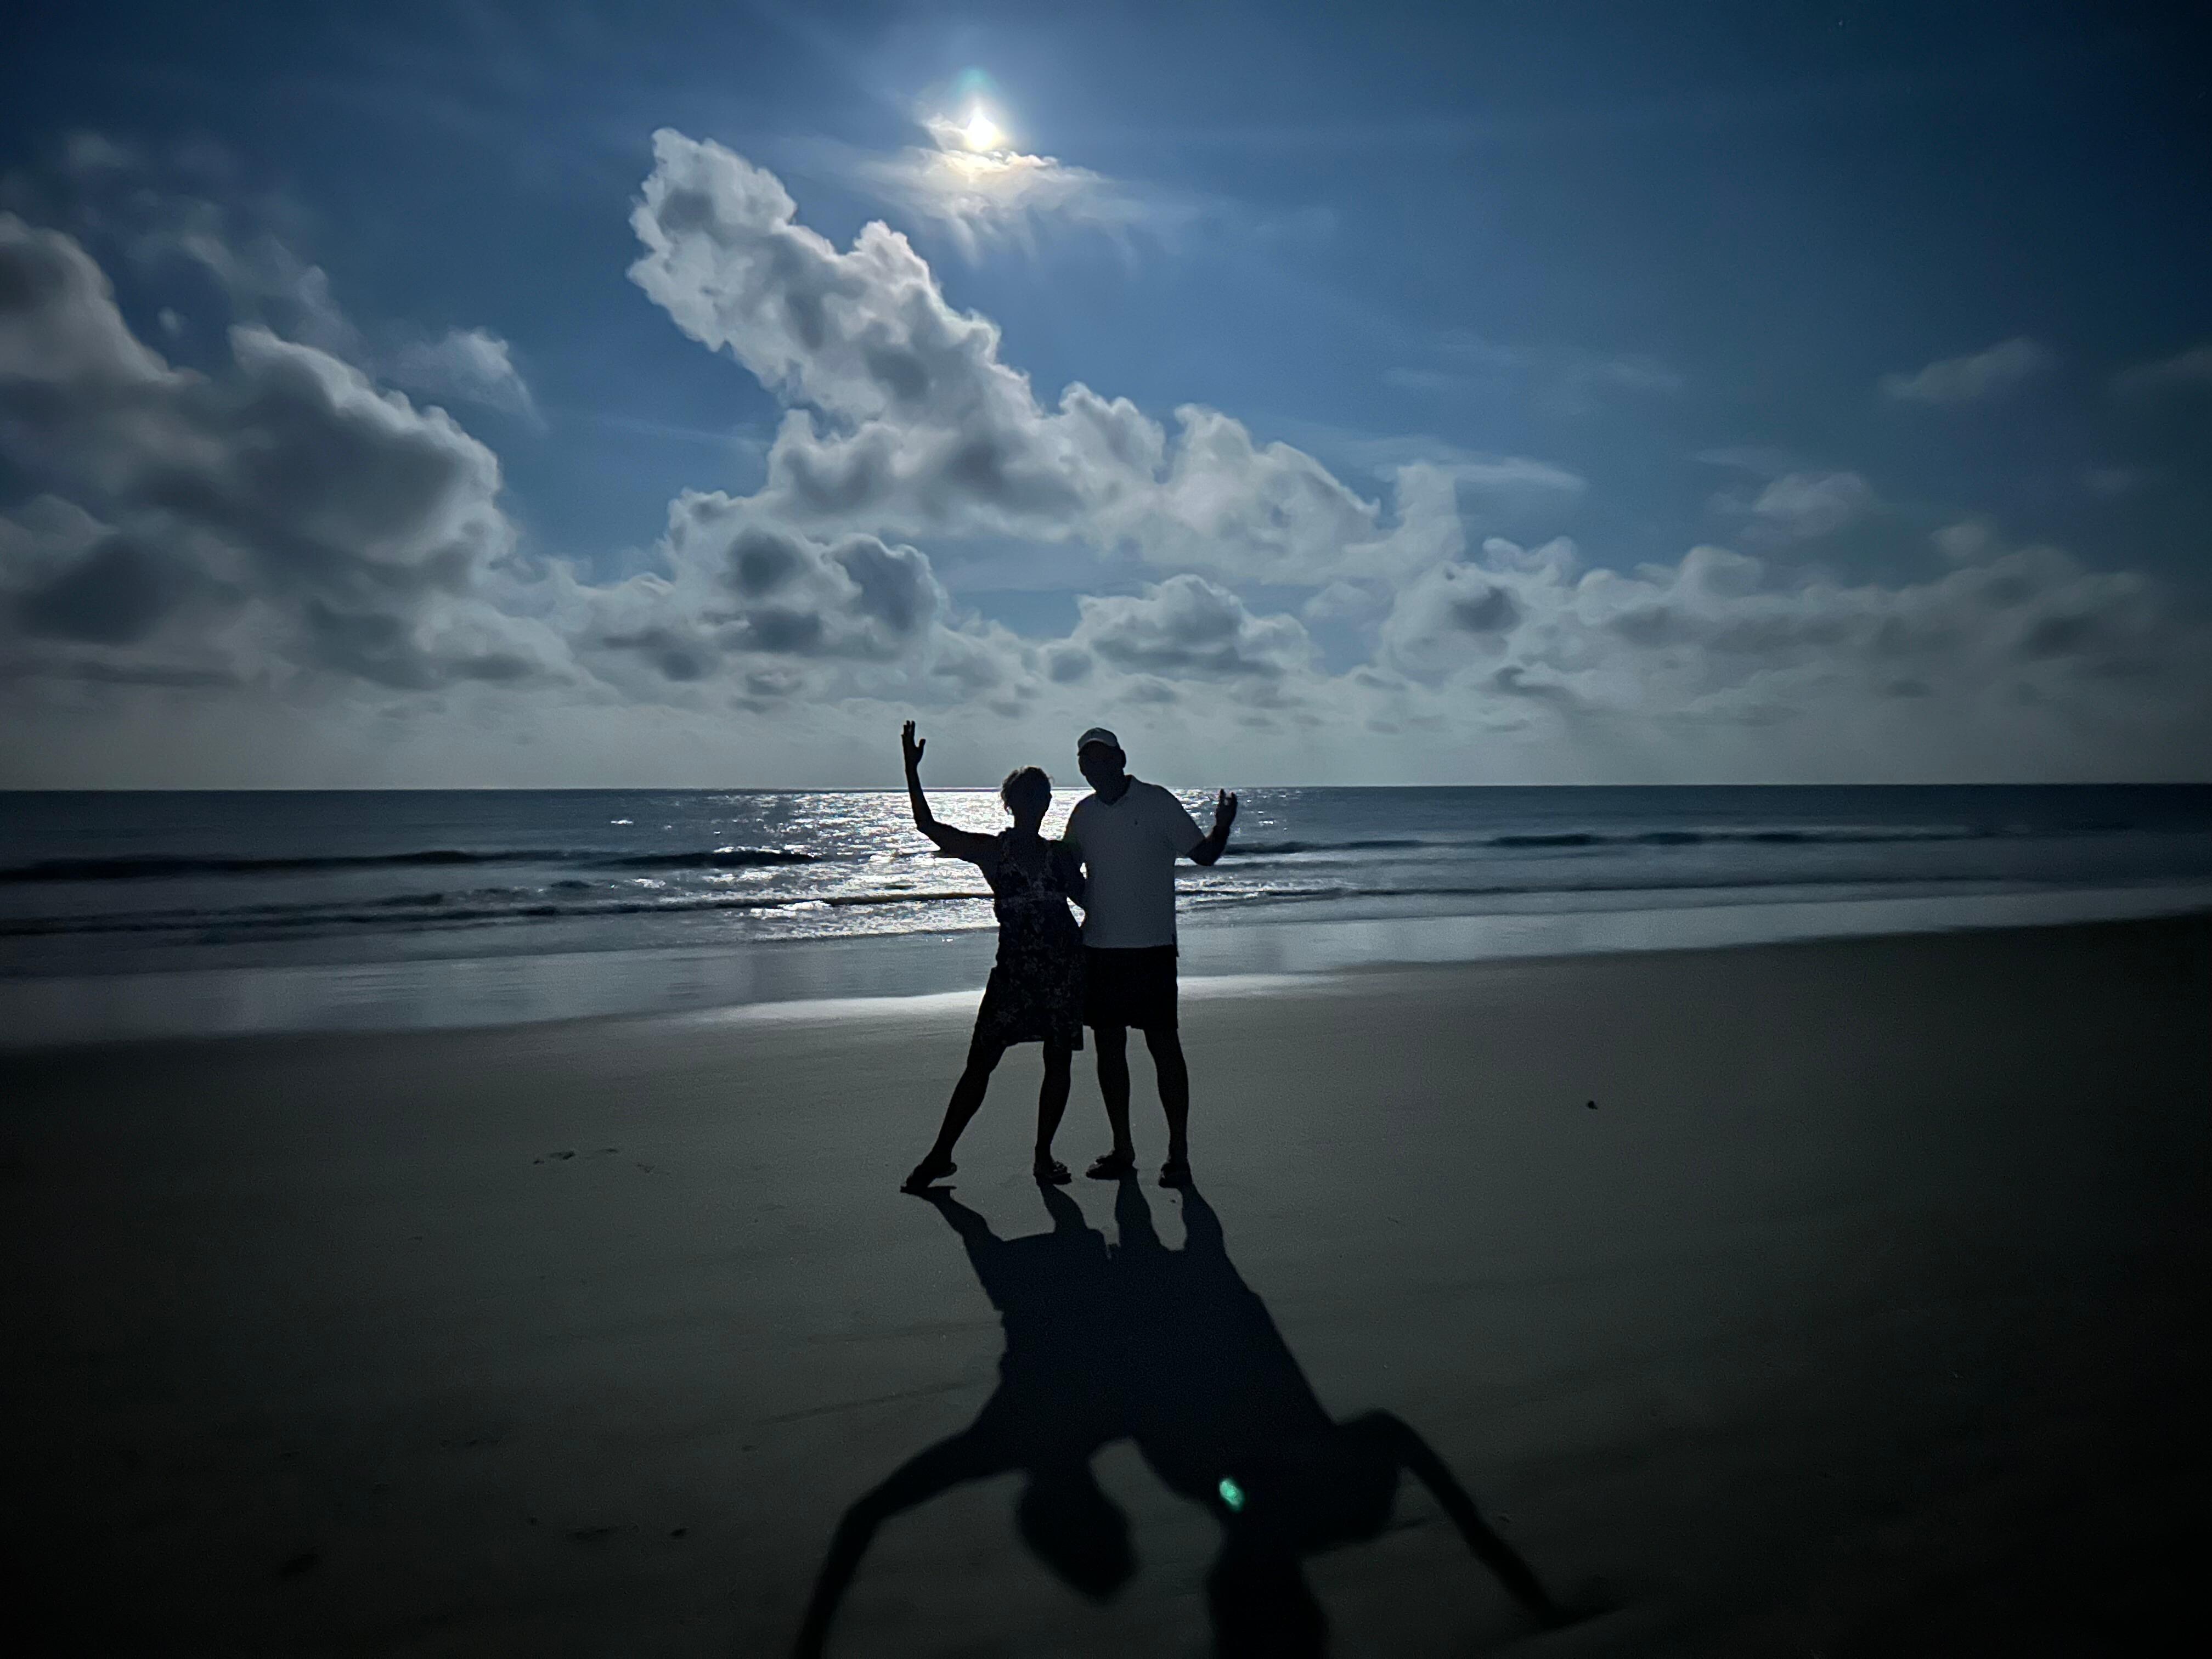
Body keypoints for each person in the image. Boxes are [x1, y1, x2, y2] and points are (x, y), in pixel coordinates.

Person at [899, 720, 1087, 1193]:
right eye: (1025, 798)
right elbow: (928, 827)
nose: (1033, 805)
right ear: (1010, 804)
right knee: (980, 1063)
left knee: (1059, 1062)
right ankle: (940, 1155)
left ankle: (1043, 1158)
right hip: (1014, 973)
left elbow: (1092, 903)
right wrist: (911, 770)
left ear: (1047, 804)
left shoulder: (1059, 857)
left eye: (1040, 797)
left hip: (1063, 969)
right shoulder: (992, 851)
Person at [1062, 726, 1237, 1187]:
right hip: (1099, 949)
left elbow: (1204, 856)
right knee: (1109, 1052)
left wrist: (1223, 826)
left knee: (1164, 1049)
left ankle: (1178, 1154)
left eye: (1101, 758)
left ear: (1120, 758)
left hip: (1152, 950)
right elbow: (1066, 870)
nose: (1094, 767)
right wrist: (1090, 902)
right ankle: (1123, 1149)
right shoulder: (1082, 815)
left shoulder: (1157, 802)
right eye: (1086, 761)